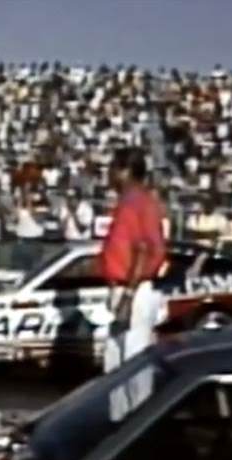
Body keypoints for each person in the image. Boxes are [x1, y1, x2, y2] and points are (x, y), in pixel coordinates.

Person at [99, 147, 167, 379]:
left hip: (134, 290)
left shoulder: (138, 203)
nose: (109, 175)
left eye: (112, 169)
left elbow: (144, 250)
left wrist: (128, 295)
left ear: (125, 171)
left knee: (132, 367)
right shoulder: (128, 202)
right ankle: (119, 417)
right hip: (124, 288)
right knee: (115, 368)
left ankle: (139, 416)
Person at [12, 189, 44, 272]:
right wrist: (20, 200)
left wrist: (29, 201)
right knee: (19, 271)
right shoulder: (21, 210)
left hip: (34, 244)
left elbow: (36, 217)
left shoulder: (41, 209)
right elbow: (15, 219)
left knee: (35, 271)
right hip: (21, 243)